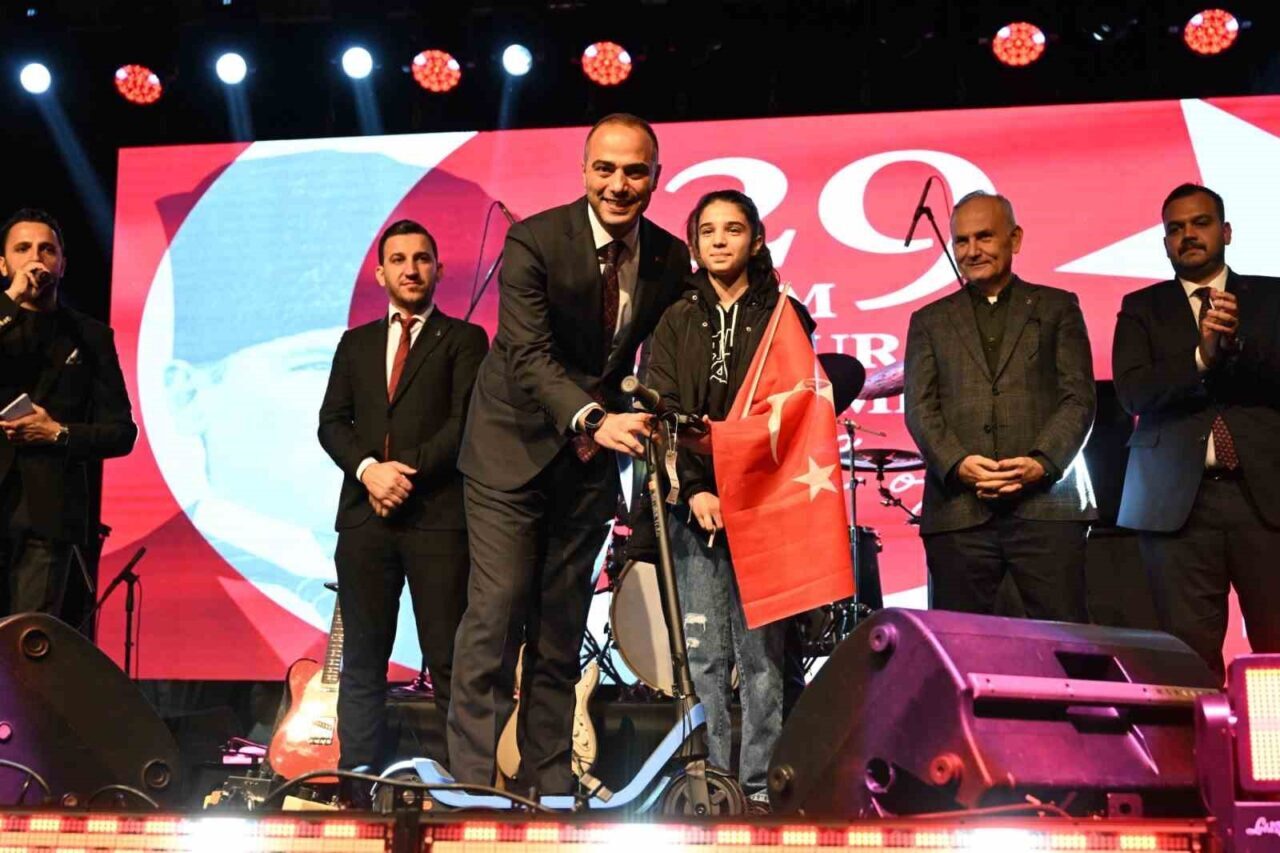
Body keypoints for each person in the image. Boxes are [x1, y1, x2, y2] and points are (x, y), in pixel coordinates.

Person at [448, 114, 691, 793]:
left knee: (559, 630)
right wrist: (595, 418)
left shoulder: (669, 258)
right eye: (605, 169)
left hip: (586, 467)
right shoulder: (535, 239)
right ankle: (470, 792)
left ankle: (549, 786)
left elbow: (675, 347)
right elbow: (527, 355)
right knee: (496, 615)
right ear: (584, 170)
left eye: (635, 171)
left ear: (656, 178)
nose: (619, 185)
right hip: (510, 450)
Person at [643, 189, 814, 810]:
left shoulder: (785, 316)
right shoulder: (674, 318)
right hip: (694, 509)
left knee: (763, 656)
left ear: (756, 240)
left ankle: (761, 787)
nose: (719, 240)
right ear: (694, 243)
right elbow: (659, 410)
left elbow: (796, 412)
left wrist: (747, 491)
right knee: (703, 657)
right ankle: (709, 784)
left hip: (764, 505)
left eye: (733, 229)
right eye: (708, 230)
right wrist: (695, 489)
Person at [317, 219, 487, 774]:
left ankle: (462, 787)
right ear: (380, 273)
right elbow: (331, 423)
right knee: (362, 662)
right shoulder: (356, 343)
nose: (410, 269)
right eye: (398, 259)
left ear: (438, 269)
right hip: (364, 521)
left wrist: (400, 476)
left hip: (436, 521)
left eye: (421, 259)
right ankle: (357, 782)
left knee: (449, 659)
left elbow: (465, 424)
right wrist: (370, 472)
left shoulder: (464, 340)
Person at [1113, 183, 1280, 681]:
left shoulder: (1272, 297)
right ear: (1165, 242)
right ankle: (1202, 735)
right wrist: (1201, 358)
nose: (1188, 234)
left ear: (1226, 231)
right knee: (1188, 661)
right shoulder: (1141, 307)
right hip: (1176, 505)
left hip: (1266, 496)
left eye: (1200, 223)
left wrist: (1234, 345)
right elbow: (1133, 394)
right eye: (1175, 228)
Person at [904, 191, 1096, 620]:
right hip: (958, 512)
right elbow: (919, 407)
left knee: (1065, 643)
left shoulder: (1058, 306)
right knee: (963, 646)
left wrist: (1041, 463)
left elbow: (1079, 397)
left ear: (1015, 238)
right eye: (962, 241)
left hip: (1048, 507)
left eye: (985, 236)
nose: (972, 251)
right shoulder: (929, 320)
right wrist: (958, 464)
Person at [0, 208, 137, 616]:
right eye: (23, 249)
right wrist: (10, 301)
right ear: (3, 264)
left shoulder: (91, 337)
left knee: (28, 639)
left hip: (48, 517)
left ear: (62, 264)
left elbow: (122, 432)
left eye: (47, 249)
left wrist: (58, 432)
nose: (35, 258)